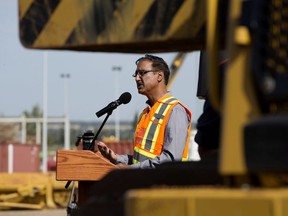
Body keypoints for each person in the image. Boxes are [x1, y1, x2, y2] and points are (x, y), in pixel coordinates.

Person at [96, 54, 192, 168]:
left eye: (142, 73)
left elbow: (171, 160)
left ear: (159, 76)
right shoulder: (146, 113)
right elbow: (141, 161)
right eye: (135, 74)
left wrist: (130, 169)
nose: (137, 78)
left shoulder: (175, 111)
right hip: (145, 183)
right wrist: (116, 158)